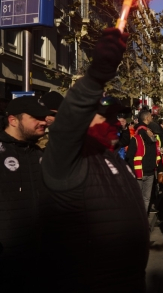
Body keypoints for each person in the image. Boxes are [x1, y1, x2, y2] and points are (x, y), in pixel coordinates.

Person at [39, 28, 148, 291]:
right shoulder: (67, 159)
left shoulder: (109, 154)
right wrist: (96, 76)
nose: (116, 123)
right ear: (83, 121)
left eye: (117, 117)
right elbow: (66, 126)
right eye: (107, 117)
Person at [0, 96, 50, 291]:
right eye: (36, 117)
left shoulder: (38, 153)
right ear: (13, 120)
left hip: (39, 259)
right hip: (7, 262)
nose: (43, 122)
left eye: (44, 117)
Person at [127, 120, 162, 214]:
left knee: (146, 199)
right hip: (138, 174)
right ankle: (137, 220)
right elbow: (129, 157)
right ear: (148, 130)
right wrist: (133, 172)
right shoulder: (136, 139)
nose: (155, 136)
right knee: (137, 198)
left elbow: (158, 157)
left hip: (150, 174)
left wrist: (159, 170)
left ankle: (144, 221)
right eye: (154, 133)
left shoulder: (155, 142)